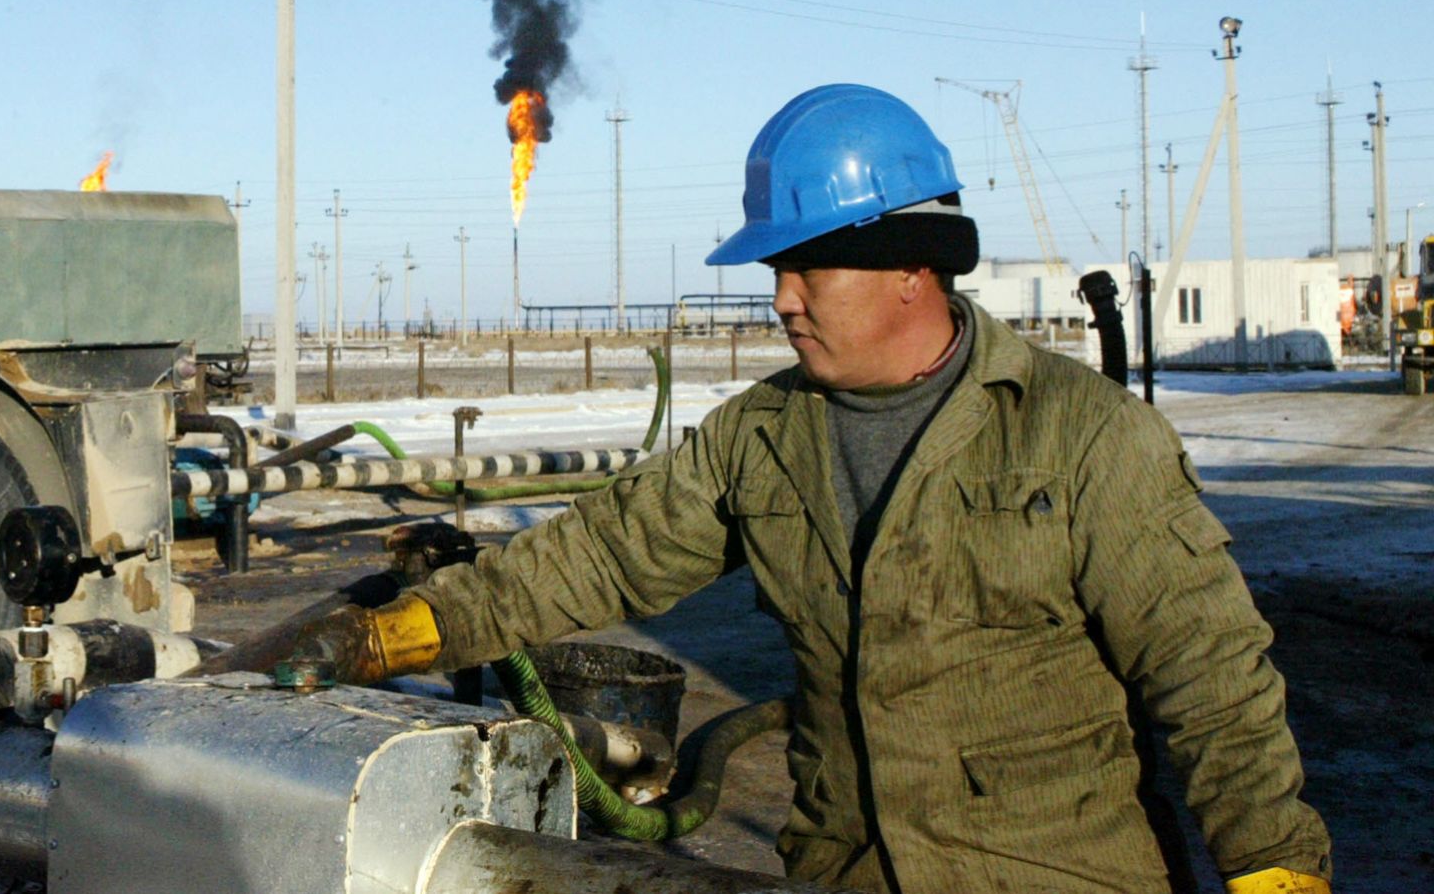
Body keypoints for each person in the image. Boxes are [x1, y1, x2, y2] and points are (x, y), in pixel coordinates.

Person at [298, 85, 1331, 893]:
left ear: (910, 267)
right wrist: (393, 632)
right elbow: (596, 554)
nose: (781, 299)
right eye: (775, 273)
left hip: (1052, 870)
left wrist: (1273, 865)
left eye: (806, 271)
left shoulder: (1083, 437)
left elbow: (1213, 684)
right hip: (842, 870)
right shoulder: (763, 437)